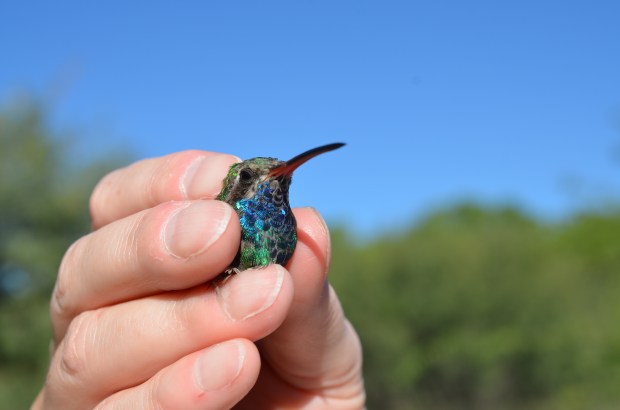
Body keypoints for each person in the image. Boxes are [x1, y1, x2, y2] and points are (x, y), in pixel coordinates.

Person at [31, 150, 366, 409]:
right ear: (238, 186)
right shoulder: (224, 223)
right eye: (252, 176)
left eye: (282, 178)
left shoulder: (291, 231)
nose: (276, 180)